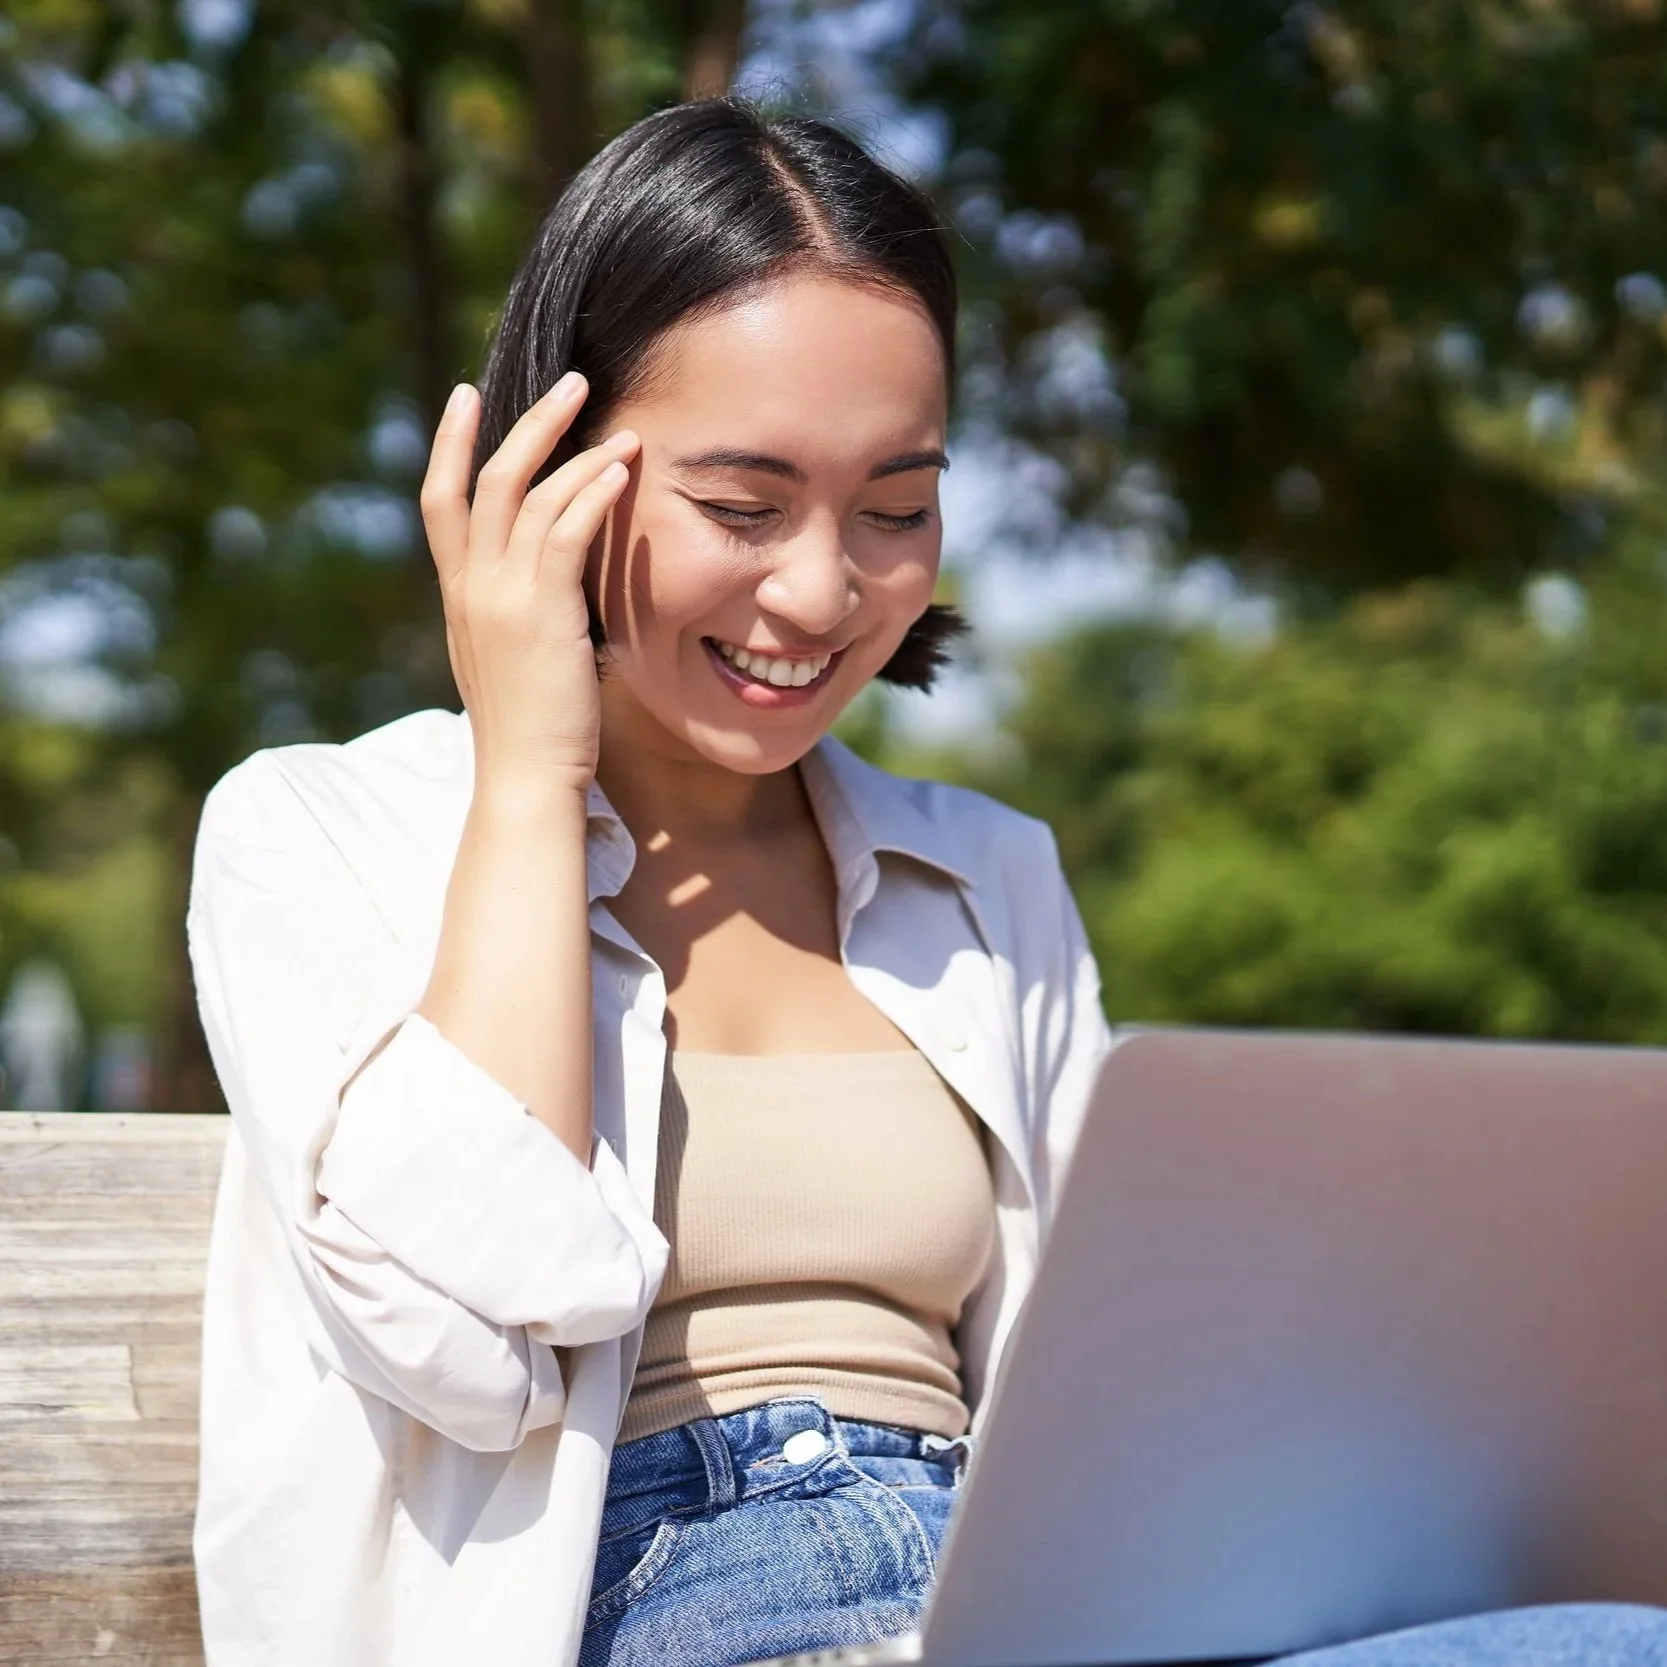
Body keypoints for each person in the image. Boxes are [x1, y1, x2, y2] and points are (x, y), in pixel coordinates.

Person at [185, 97, 1667, 1667]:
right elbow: (461, 1337)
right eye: (742, 506)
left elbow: (1110, 1401)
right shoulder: (320, 832)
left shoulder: (983, 874)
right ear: (547, 472)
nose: (824, 591)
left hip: (999, 1603)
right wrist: (532, 775)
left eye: (895, 508)